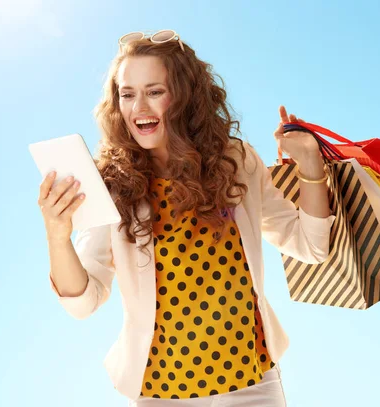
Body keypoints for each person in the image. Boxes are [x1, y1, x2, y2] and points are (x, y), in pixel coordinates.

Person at [37, 30, 335, 407]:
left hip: (253, 383)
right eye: (127, 94)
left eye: (155, 91)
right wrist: (57, 236)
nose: (138, 107)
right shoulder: (110, 186)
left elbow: (311, 246)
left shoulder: (236, 161)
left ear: (184, 94)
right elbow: (83, 303)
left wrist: (310, 164)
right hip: (159, 393)